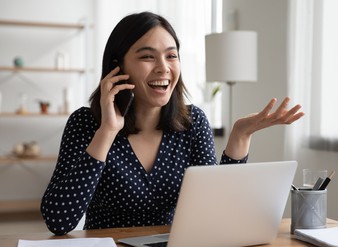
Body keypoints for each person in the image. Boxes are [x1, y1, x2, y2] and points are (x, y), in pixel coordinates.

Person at [40, 11, 304, 235]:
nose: (163, 67)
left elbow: (215, 210)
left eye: (171, 55)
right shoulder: (84, 124)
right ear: (117, 67)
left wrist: (240, 136)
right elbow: (59, 221)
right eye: (147, 56)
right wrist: (107, 131)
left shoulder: (193, 122)